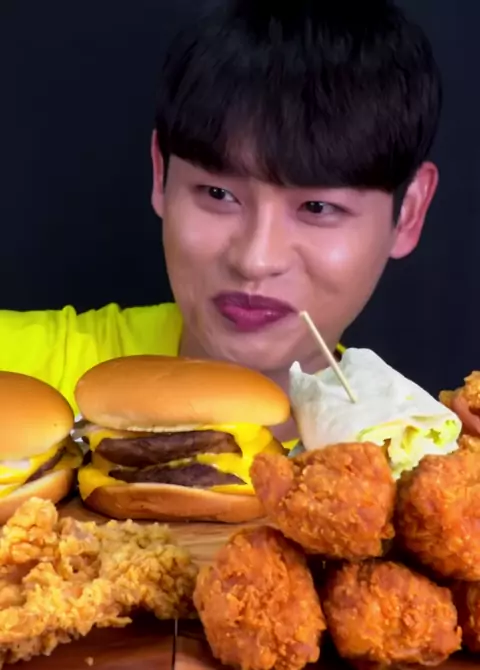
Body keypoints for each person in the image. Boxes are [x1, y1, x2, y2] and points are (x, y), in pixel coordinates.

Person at [0, 0, 441, 444]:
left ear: (408, 212)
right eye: (218, 194)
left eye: (317, 208)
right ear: (161, 175)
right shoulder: (19, 370)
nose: (255, 260)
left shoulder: (426, 453)